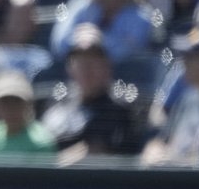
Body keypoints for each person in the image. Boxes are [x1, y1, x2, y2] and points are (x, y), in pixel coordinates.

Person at [42, 23, 140, 159]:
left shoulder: (119, 108)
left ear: (107, 67)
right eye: (80, 61)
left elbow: (106, 153)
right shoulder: (58, 100)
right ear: (69, 67)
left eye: (93, 61)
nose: (86, 69)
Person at [142, 27, 199, 166]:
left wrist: (175, 160)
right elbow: (161, 141)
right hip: (176, 183)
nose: (183, 63)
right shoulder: (188, 99)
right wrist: (153, 152)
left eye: (191, 58)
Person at [0, 69, 56, 161]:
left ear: (28, 104)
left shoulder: (41, 142)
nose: (11, 109)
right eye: (5, 102)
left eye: (17, 102)